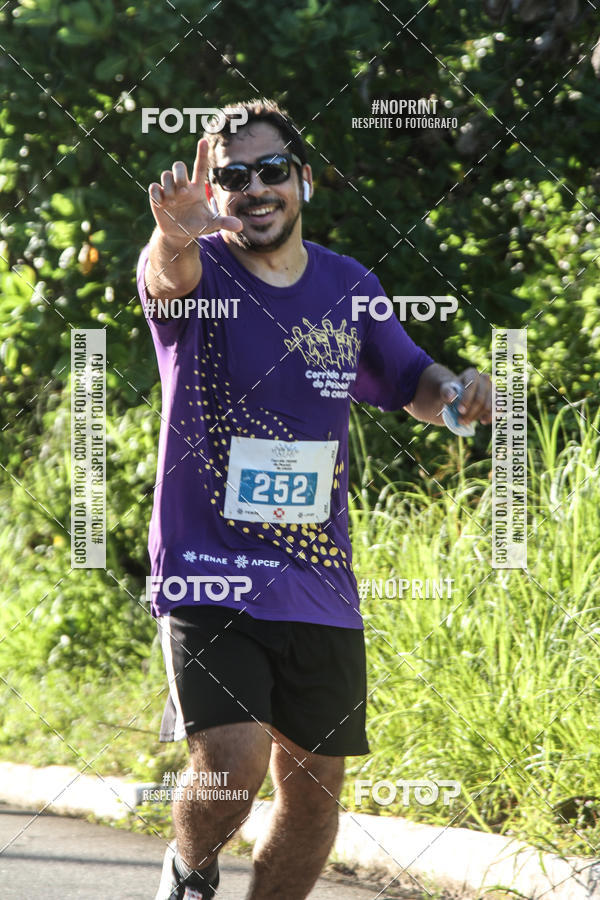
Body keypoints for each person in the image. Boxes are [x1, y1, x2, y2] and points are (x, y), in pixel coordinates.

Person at [137, 98, 492, 900]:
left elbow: (413, 379)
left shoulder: (348, 286)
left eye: (271, 172)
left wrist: (458, 394)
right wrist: (174, 233)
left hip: (318, 580)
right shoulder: (201, 269)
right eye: (234, 177)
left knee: (314, 795)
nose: (254, 189)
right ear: (215, 191)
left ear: (303, 181)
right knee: (233, 762)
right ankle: (189, 877)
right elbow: (168, 275)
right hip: (209, 566)